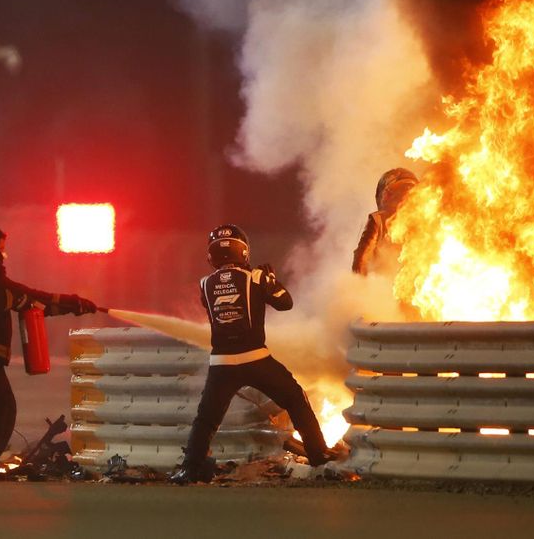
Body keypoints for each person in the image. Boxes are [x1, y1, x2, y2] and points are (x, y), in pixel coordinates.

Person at [170, 224, 331, 484]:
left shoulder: (205, 284)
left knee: (206, 419)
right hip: (255, 358)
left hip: (221, 363)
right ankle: (318, 454)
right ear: (243, 251)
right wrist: (271, 280)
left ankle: (189, 469)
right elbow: (286, 303)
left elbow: (220, 296)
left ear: (212, 255)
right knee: (294, 398)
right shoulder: (256, 277)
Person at [0, 224, 96, 480]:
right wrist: (23, 301)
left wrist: (70, 303)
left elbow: (25, 295)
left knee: (4, 406)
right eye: (1, 250)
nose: (3, 256)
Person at [351, 167, 418, 276]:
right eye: (401, 191)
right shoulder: (378, 221)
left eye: (409, 191)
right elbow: (361, 258)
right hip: (383, 283)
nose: (406, 197)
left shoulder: (425, 221)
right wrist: (361, 286)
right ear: (387, 196)